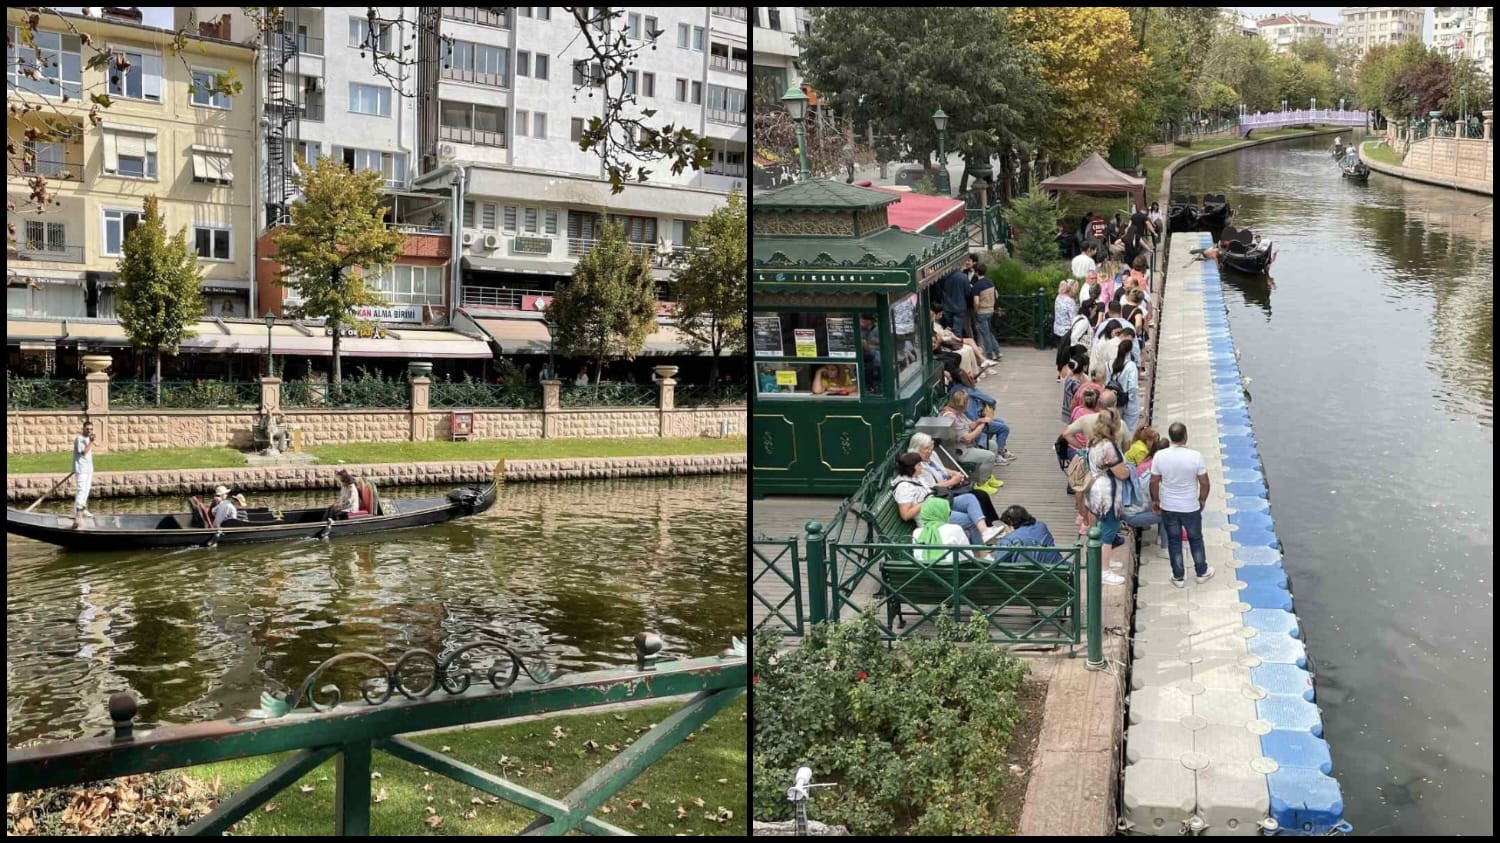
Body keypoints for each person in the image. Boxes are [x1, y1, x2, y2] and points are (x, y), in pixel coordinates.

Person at [1149, 422, 1215, 587]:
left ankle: (1178, 577)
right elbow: (1205, 483)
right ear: (1185, 437)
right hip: (1190, 506)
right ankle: (1201, 572)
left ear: (1170, 437)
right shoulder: (1196, 456)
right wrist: (1202, 499)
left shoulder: (1160, 456)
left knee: (1174, 540)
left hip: (1168, 506)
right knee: (1196, 539)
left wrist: (1156, 500)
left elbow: (1154, 481)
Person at [891, 449, 1003, 545]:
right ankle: (982, 555)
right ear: (911, 468)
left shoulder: (917, 477)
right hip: (930, 517)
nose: (921, 467)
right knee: (970, 520)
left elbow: (931, 489)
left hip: (938, 505)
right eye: (919, 465)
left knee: (969, 498)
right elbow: (905, 515)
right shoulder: (904, 487)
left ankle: (985, 532)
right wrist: (926, 502)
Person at [1083, 410, 1133, 585]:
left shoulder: (1093, 441)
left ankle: (1102, 561)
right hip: (1107, 492)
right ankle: (1104, 571)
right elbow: (1120, 473)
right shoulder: (1108, 446)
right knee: (1109, 528)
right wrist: (1128, 471)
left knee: (1100, 525)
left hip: (1095, 487)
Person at [938, 390, 999, 486]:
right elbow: (967, 438)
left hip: (969, 445)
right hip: (960, 450)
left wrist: (980, 421)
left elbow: (969, 425)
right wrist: (980, 427)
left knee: (992, 445)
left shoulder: (959, 412)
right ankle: (982, 484)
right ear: (964, 403)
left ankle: (987, 476)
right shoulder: (951, 417)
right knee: (989, 456)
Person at [993, 505, 1063, 565]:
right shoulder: (1042, 526)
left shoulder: (1009, 540)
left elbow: (997, 565)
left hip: (1029, 578)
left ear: (1010, 523)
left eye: (1005, 527)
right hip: (1057, 572)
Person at [912, 497, 977, 561]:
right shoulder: (955, 529)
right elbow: (968, 558)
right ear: (943, 513)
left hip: (925, 570)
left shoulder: (916, 532)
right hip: (953, 571)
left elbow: (917, 558)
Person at [939, 254, 978, 337]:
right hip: (960, 307)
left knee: (947, 328)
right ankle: (956, 344)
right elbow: (968, 293)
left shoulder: (944, 277)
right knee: (957, 329)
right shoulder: (963, 277)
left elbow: (940, 290)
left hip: (946, 306)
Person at [970, 263, 1002, 360]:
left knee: (985, 334)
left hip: (982, 312)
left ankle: (989, 355)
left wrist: (976, 310)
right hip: (991, 310)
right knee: (988, 332)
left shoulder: (977, 286)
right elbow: (996, 295)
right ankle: (997, 351)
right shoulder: (990, 282)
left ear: (976, 273)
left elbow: (976, 301)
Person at [1111, 339, 1141, 435]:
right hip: (1128, 402)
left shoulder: (1109, 364)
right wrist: (1131, 400)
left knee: (1116, 429)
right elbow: (1133, 387)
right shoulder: (1131, 366)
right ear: (1129, 351)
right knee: (1130, 430)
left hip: (1114, 400)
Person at [72, 419, 96, 525]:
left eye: (91, 429)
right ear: (83, 429)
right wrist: (91, 442)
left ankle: (83, 507)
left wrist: (91, 440)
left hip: (88, 469)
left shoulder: (88, 438)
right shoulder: (79, 439)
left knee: (86, 489)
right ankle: (78, 512)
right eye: (87, 429)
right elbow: (83, 453)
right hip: (81, 469)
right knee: (81, 489)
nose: (89, 431)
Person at [1051, 279, 1078, 368]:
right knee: (1066, 354)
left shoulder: (1058, 297)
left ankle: (1059, 371)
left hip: (1057, 328)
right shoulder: (1070, 301)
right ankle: (1063, 372)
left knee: (1060, 351)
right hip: (1066, 331)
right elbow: (1073, 319)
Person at [859, 314, 881, 390]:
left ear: (869, 321)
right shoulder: (862, 330)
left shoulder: (877, 330)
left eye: (863, 320)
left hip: (877, 354)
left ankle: (874, 384)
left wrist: (867, 346)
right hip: (865, 354)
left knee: (872, 363)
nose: (861, 322)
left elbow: (882, 345)